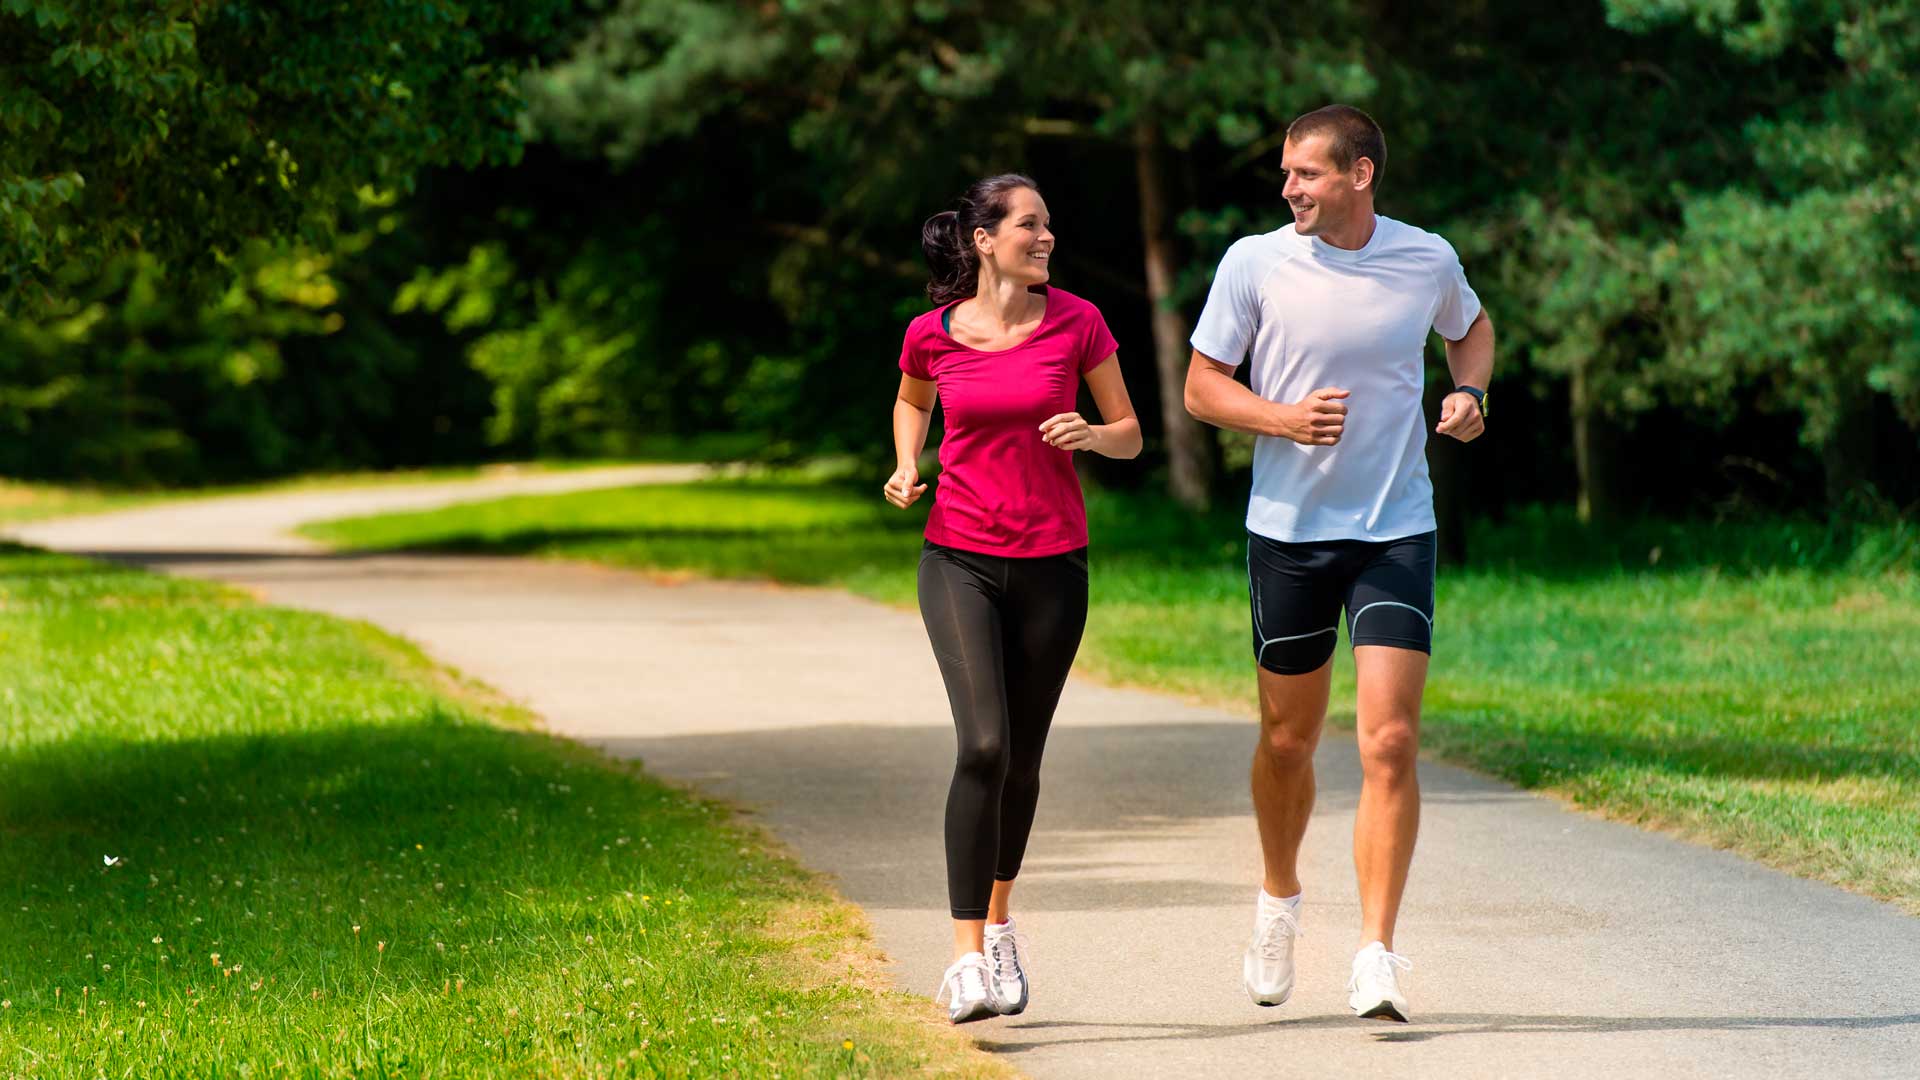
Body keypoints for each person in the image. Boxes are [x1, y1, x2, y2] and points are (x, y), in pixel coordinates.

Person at [1183, 105, 1493, 1023]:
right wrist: (1280, 417)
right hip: (1289, 530)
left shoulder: (1425, 257)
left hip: (1396, 526)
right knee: (1289, 740)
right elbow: (1202, 387)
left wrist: (1469, 389)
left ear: (1360, 174)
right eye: (1286, 174)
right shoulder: (1254, 262)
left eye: (1307, 174)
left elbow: (1471, 328)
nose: (1289, 189)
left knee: (1390, 740)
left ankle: (1377, 953)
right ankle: (1279, 899)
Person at [886, 173, 1142, 1023]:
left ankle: (1000, 924)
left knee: (1024, 761)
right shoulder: (932, 334)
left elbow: (1131, 432)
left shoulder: (1079, 322)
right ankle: (963, 961)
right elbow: (910, 399)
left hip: (1053, 564)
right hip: (957, 556)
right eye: (1030, 224)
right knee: (984, 746)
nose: (1047, 237)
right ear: (984, 240)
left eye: (1049, 225)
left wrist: (1091, 434)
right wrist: (906, 461)